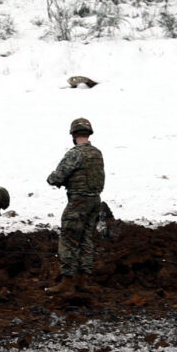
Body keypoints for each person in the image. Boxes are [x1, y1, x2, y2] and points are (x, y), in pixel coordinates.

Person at [46, 117, 105, 289]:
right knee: (86, 239)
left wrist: (54, 179)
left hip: (78, 202)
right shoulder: (97, 153)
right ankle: (83, 280)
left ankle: (67, 281)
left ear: (73, 134)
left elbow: (57, 177)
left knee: (69, 238)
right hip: (95, 201)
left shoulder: (75, 153)